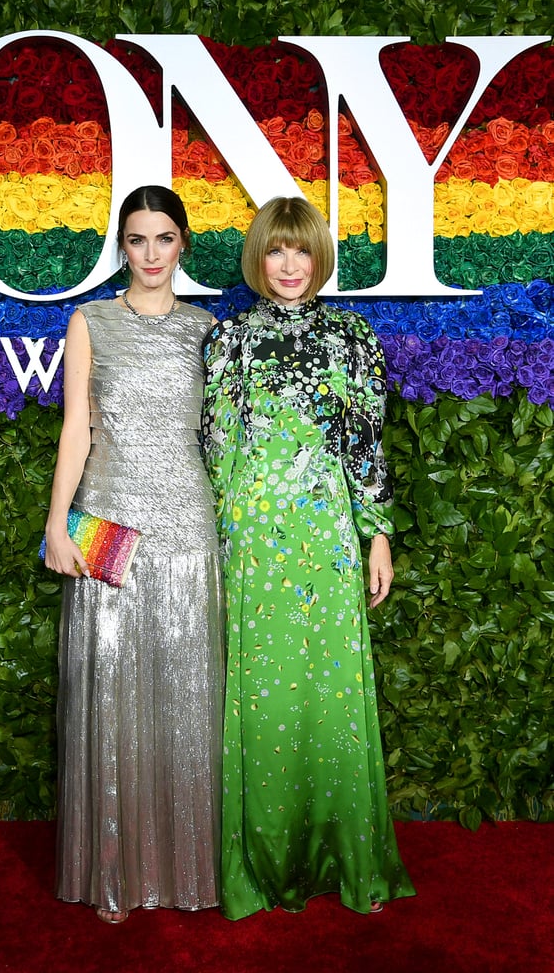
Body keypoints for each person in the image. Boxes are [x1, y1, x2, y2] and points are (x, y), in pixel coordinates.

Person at [202, 196, 415, 919]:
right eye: (275, 251)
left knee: (333, 697)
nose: (289, 266)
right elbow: (219, 448)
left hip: (326, 538)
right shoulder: (230, 339)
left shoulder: (354, 337)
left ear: (319, 257)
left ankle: (349, 859)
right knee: (261, 697)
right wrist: (224, 545)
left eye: (301, 251)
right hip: (255, 538)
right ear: (258, 259)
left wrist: (376, 532)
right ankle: (260, 867)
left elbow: (366, 442)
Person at [43, 185, 224, 924]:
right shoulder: (89, 321)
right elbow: (76, 431)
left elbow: (222, 439)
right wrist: (57, 524)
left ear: (183, 245)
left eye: (164, 239)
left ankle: (188, 869)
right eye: (137, 240)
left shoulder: (209, 331)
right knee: (107, 692)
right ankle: (115, 872)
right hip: (107, 523)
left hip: (187, 521)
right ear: (123, 246)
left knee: (188, 700)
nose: (150, 254)